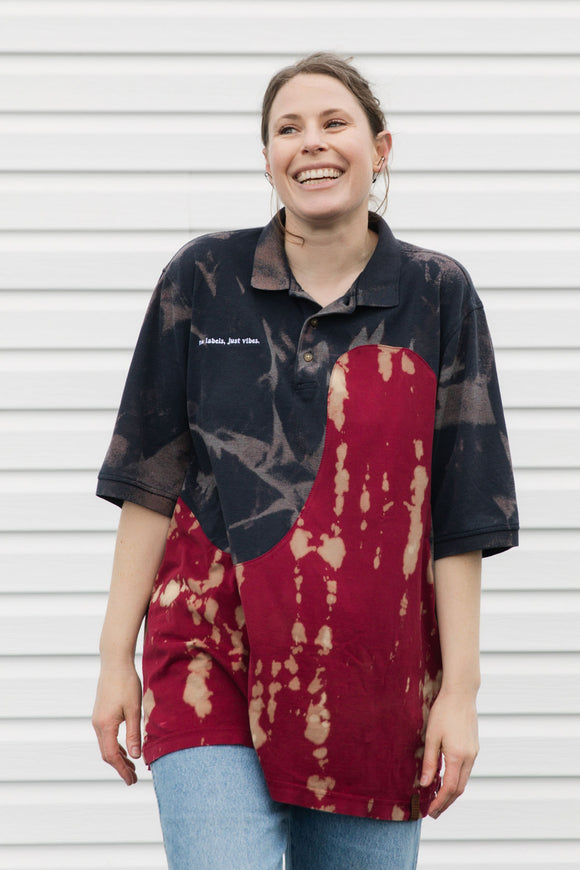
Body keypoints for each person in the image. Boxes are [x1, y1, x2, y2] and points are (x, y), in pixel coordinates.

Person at [92, 52, 519, 870]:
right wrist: (115, 659)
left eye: (334, 123)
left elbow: (461, 517)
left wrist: (459, 694)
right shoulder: (202, 278)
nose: (310, 144)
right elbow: (147, 482)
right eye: (287, 128)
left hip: (375, 682)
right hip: (205, 656)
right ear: (266, 158)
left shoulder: (439, 296)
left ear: (380, 149)